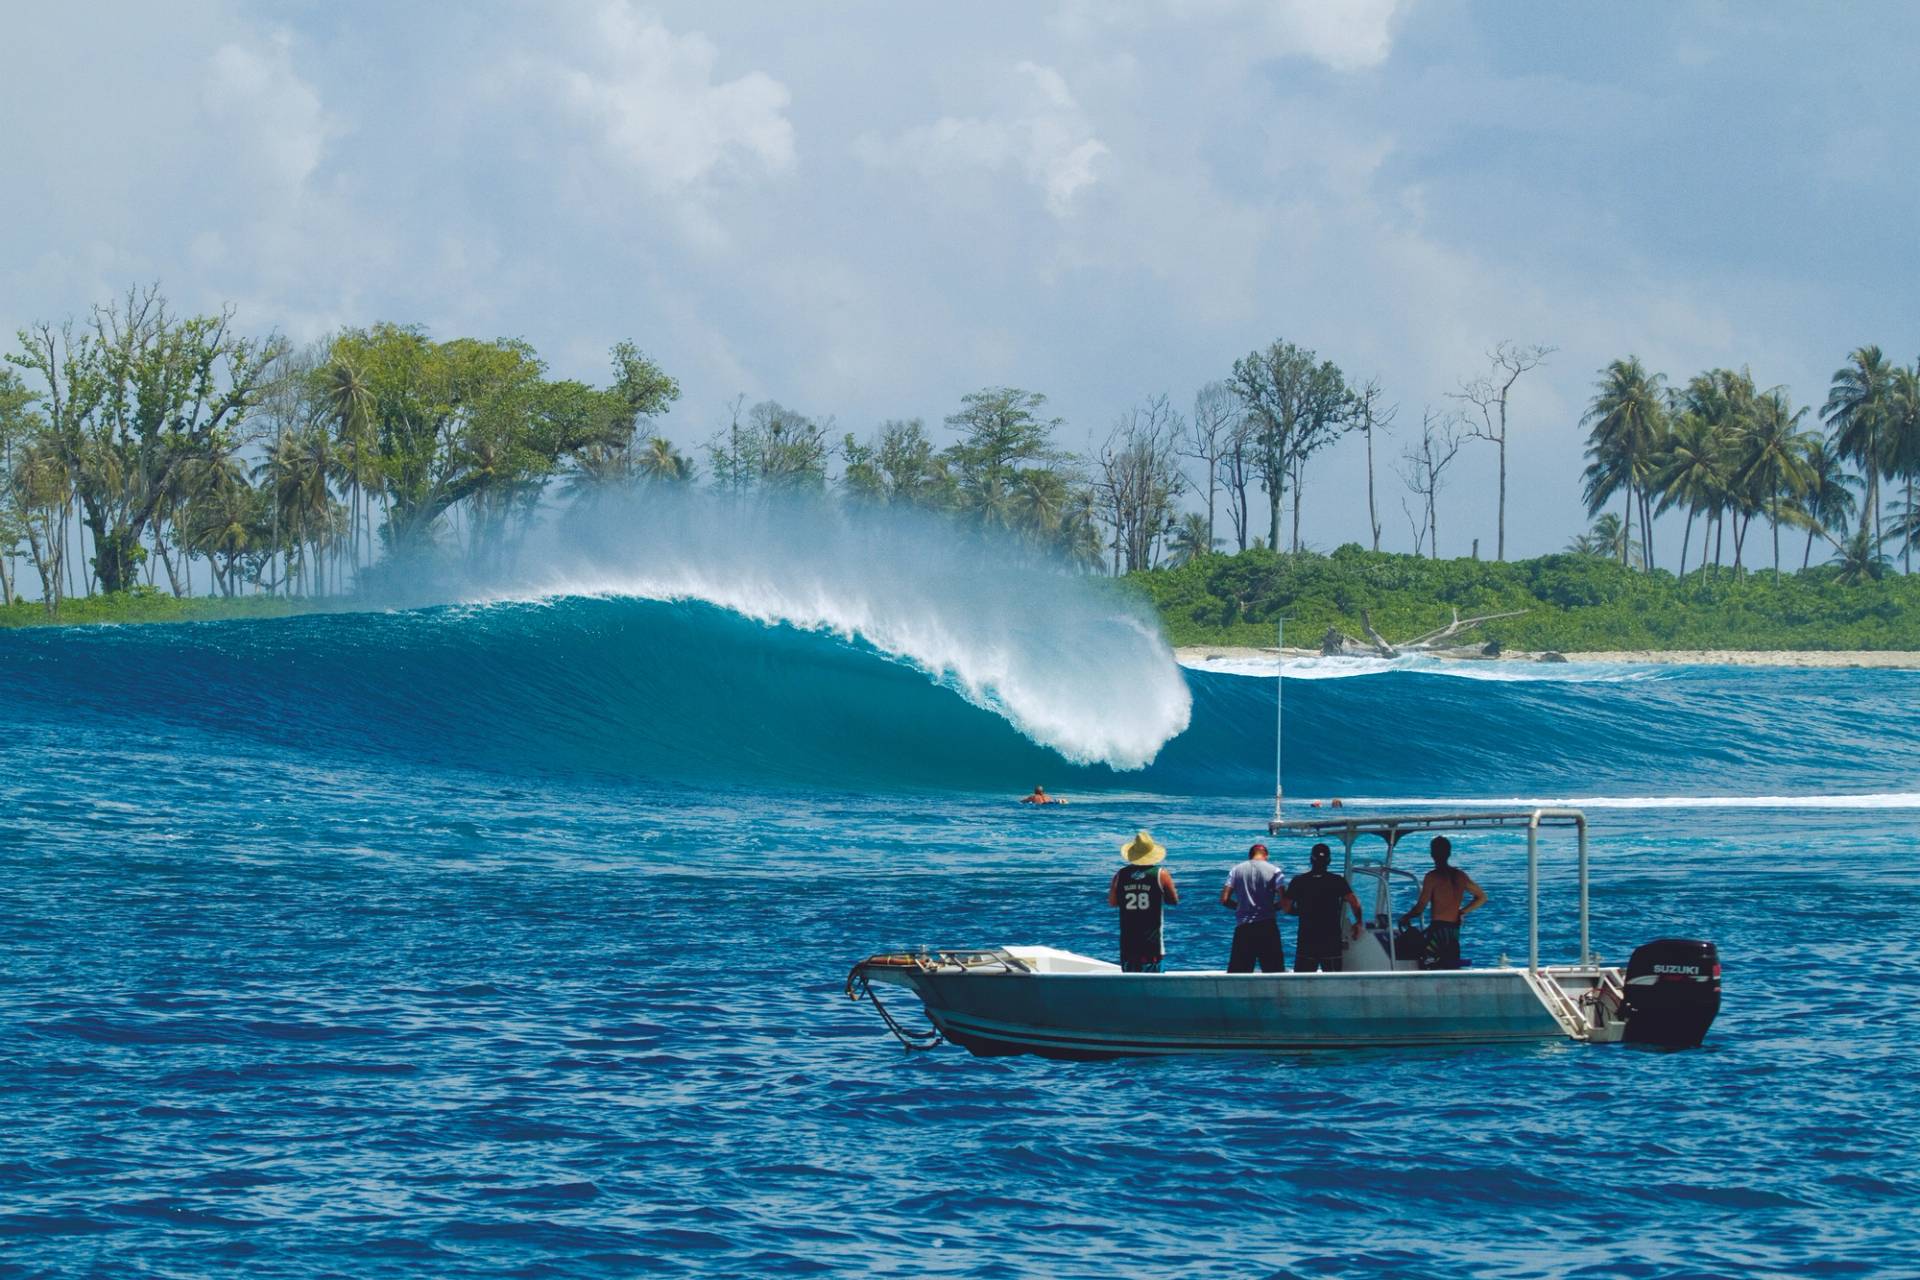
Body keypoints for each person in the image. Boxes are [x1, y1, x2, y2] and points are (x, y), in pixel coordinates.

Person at [1398, 835, 1487, 970]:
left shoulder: (1432, 877)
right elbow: (1482, 897)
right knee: (1452, 968)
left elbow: (1420, 907)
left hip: (1437, 932)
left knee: (1430, 967)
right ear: (1449, 853)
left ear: (1432, 854)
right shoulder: (1460, 875)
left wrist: (1406, 917)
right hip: (1453, 932)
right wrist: (1461, 912)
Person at [1285, 843, 1365, 972]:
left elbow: (1286, 907)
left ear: (1311, 860)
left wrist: (1300, 912)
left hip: (1307, 939)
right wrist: (1359, 922)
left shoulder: (1299, 881)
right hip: (1330, 939)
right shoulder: (1337, 881)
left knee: (1303, 981)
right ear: (1329, 861)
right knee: (1334, 980)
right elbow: (1354, 902)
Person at [1108, 830, 1179, 972]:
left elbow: (1113, 902)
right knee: (1155, 981)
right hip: (1151, 941)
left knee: (1129, 980)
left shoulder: (1120, 874)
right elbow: (1173, 900)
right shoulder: (1161, 874)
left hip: (1128, 940)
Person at [1219, 843, 1287, 973]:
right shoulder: (1275, 871)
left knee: (1239, 973)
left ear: (1250, 855)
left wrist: (1240, 907)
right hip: (1267, 926)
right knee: (1274, 971)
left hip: (1244, 928)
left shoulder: (1236, 870)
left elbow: (1224, 899)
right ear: (1266, 855)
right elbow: (1284, 901)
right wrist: (1271, 908)